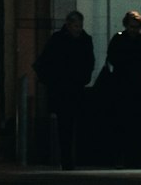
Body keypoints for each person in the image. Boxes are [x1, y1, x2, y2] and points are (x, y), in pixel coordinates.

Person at [34, 10, 95, 169]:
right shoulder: (81, 40)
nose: (78, 29)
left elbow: (44, 63)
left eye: (80, 26)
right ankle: (68, 159)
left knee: (67, 125)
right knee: (67, 125)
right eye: (76, 26)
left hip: (66, 87)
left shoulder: (61, 40)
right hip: (67, 88)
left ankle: (70, 159)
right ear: (68, 25)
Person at [105, 10, 141, 166]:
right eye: (131, 27)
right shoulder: (140, 41)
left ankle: (131, 155)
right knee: (128, 122)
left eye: (135, 27)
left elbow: (113, 59)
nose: (133, 30)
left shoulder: (120, 40)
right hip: (130, 85)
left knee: (133, 122)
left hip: (126, 84)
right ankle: (130, 155)